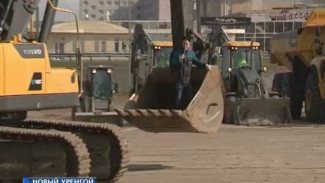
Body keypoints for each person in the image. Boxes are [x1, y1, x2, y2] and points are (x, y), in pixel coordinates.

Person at [169, 38, 210, 109]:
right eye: (184, 44)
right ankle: (177, 113)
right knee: (178, 99)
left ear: (189, 45)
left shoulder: (191, 54)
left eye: (186, 44)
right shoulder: (177, 53)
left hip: (187, 81)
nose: (185, 45)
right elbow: (172, 64)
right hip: (180, 80)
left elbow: (197, 62)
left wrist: (205, 65)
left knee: (190, 98)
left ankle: (189, 113)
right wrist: (179, 61)